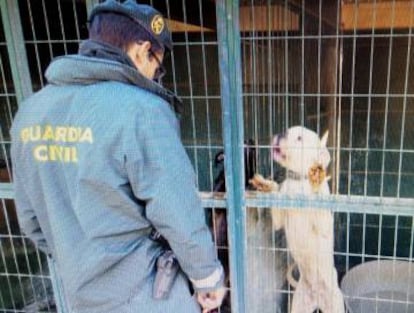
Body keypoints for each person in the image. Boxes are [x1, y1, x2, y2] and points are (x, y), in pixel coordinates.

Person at [10, 1, 226, 312]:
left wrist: (79, 257)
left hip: (79, 296)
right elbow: (176, 208)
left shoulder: (30, 113)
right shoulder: (142, 110)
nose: (155, 75)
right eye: (158, 64)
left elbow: (31, 221)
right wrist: (207, 278)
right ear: (141, 50)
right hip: (147, 294)